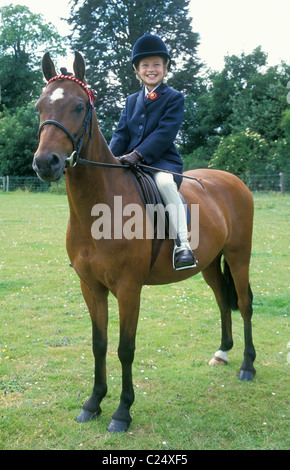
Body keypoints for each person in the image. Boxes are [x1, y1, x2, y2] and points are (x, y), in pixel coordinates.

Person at [109, 33, 197, 270]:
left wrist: (138, 154)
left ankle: (183, 244)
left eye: (156, 64)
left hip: (162, 162)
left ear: (165, 68)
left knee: (166, 185)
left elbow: (164, 134)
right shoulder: (130, 101)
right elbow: (121, 134)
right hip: (129, 161)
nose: (151, 69)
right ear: (137, 70)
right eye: (145, 65)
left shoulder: (174, 98)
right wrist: (108, 158)